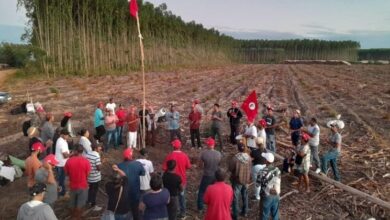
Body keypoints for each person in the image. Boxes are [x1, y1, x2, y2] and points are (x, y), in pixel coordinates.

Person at [162, 140, 191, 219]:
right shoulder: (184, 155)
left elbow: (164, 167)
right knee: (182, 196)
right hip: (182, 180)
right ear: (180, 146)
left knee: (172, 197)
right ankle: (183, 213)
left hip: (170, 181)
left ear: (173, 146)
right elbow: (188, 166)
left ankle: (173, 212)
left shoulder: (169, 156)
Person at [64, 144, 91, 219]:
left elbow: (66, 173)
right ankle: (78, 217)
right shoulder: (86, 161)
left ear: (75, 151)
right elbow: (88, 174)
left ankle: (73, 217)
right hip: (83, 185)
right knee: (80, 205)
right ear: (82, 151)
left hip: (73, 185)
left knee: (72, 204)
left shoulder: (69, 161)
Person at [118, 148, 146, 220]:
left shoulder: (119, 166)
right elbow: (143, 173)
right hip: (135, 192)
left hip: (124, 193)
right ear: (132, 156)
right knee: (135, 211)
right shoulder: (137, 164)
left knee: (125, 211)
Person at [197, 138, 222, 212]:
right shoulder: (218, 153)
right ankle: (215, 206)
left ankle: (200, 208)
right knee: (216, 191)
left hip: (207, 175)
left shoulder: (204, 154)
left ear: (207, 145)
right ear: (213, 145)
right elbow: (219, 164)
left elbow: (200, 166)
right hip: (216, 176)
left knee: (201, 191)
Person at [229, 143, 252, 219]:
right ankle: (245, 212)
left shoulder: (235, 158)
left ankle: (235, 215)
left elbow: (230, 168)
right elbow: (250, 168)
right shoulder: (248, 158)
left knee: (235, 197)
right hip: (246, 180)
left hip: (237, 180)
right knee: (245, 195)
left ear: (238, 148)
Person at [256, 152, 281, 220]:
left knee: (264, 215)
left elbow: (257, 184)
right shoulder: (277, 170)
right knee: (275, 214)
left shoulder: (262, 171)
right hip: (276, 194)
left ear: (266, 161)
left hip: (266, 196)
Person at [84, 143, 103, 211]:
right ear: (95, 148)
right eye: (99, 147)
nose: (100, 148)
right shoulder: (96, 155)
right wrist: (101, 163)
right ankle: (93, 205)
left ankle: (88, 201)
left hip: (89, 176)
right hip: (95, 177)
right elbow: (99, 168)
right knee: (94, 191)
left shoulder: (88, 154)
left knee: (90, 189)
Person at [55, 129, 70, 197]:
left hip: (59, 163)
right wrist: (72, 154)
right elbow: (65, 155)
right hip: (61, 164)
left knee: (60, 180)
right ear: (63, 135)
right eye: (66, 135)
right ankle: (62, 194)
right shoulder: (62, 142)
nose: (67, 136)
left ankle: (61, 193)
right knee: (61, 180)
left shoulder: (60, 140)